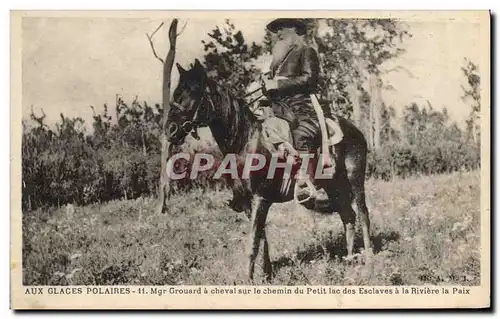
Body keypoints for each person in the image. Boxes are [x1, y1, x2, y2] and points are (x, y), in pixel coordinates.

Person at [261, 18, 323, 203]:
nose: (277, 33)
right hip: (278, 108)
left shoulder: (306, 51)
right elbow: (272, 88)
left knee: (301, 132)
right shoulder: (277, 61)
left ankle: (306, 180)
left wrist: (278, 84)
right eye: (276, 30)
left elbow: (310, 79)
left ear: (295, 31)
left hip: (300, 106)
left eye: (282, 28)